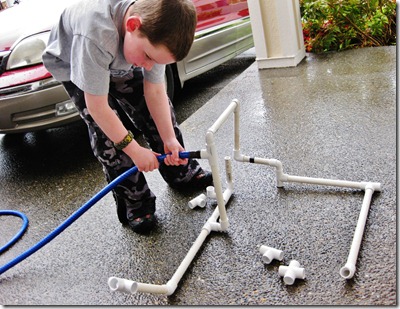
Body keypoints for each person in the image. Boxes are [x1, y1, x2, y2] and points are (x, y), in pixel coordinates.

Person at [42, 0, 212, 234]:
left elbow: (154, 91)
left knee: (158, 116)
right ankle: (136, 201)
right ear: (132, 25)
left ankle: (180, 171)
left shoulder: (152, 36)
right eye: (148, 57)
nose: (149, 65)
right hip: (78, 60)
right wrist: (134, 149)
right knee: (107, 136)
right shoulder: (96, 33)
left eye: (156, 62)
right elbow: (98, 108)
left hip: (122, 52)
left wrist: (170, 140)